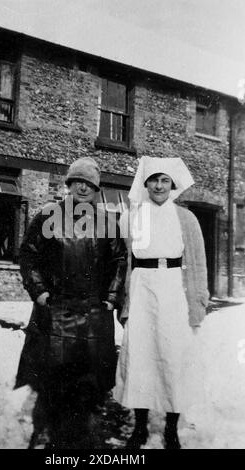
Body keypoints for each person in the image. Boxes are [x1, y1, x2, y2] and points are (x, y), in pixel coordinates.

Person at [15, 157, 127, 449]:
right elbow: (29, 257)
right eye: (78, 181)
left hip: (93, 313)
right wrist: (40, 292)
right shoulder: (48, 215)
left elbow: (118, 261)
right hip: (55, 311)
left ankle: (85, 437)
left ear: (96, 189)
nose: (83, 187)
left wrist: (112, 299)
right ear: (69, 184)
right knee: (50, 378)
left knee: (88, 383)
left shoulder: (107, 221)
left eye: (89, 184)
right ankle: (44, 432)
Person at [113, 156, 209, 450]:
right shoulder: (132, 217)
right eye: (153, 180)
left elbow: (197, 263)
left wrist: (197, 301)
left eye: (164, 180)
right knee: (140, 357)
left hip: (173, 290)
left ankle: (171, 430)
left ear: (173, 184)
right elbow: (124, 262)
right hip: (142, 288)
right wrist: (125, 302)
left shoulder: (186, 219)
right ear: (145, 184)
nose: (158, 185)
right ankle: (139, 427)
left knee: (172, 357)